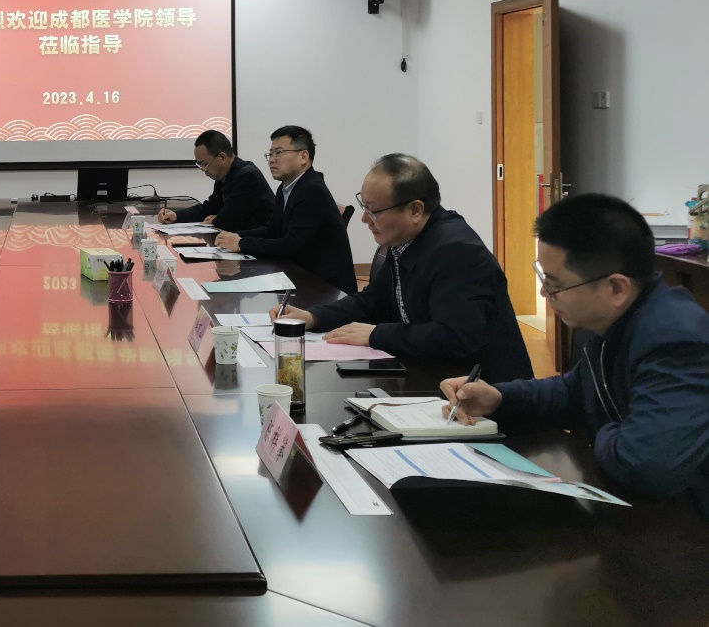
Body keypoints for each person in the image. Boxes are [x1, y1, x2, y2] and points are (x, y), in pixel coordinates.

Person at [442, 194, 709, 516]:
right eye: (544, 277)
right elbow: (575, 391)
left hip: (687, 524)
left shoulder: (676, 339)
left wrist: (604, 429)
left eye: (555, 284)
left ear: (616, 288)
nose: (545, 293)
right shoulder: (613, 318)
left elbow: (648, 465)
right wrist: (499, 398)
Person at [279, 154, 533, 383]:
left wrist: (377, 334)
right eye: (364, 206)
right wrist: (313, 316)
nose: (365, 219)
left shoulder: (457, 251)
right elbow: (373, 301)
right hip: (431, 374)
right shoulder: (407, 239)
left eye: (373, 211)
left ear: (415, 210)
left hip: (482, 393)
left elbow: (456, 337)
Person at [214, 126, 356, 293]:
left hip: (324, 287)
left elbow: (291, 246)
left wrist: (241, 243)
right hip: (299, 275)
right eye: (270, 154)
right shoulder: (286, 188)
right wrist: (237, 236)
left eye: (279, 153)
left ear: (303, 157)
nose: (272, 160)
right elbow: (272, 230)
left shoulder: (312, 190)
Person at [155, 130, 274, 231]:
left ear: (222, 157)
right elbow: (210, 208)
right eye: (200, 165)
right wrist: (176, 215)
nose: (203, 170)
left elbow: (229, 221)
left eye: (205, 164)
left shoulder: (247, 176)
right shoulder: (224, 175)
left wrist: (217, 219)